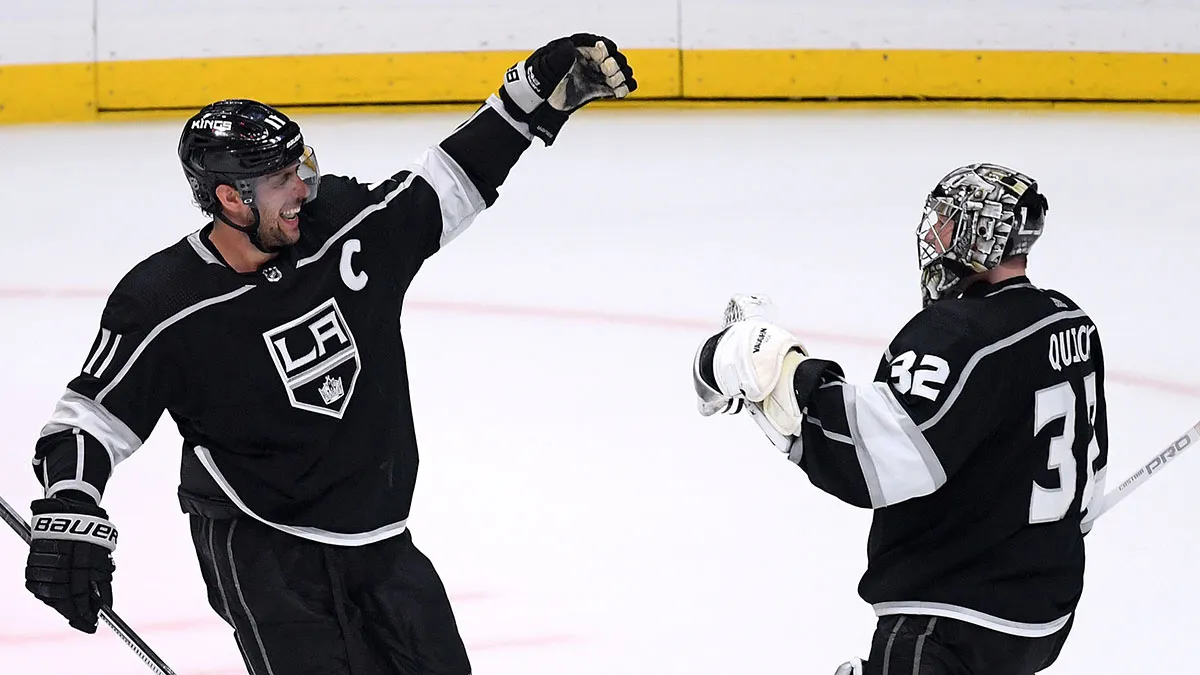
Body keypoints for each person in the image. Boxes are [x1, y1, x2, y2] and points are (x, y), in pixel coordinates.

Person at [23, 33, 635, 675]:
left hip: (379, 535)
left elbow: (440, 192)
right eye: (283, 179)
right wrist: (70, 502)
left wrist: (523, 104)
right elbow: (90, 419)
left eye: (302, 166)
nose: (304, 188)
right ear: (231, 199)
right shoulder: (166, 300)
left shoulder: (336, 223)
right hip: (264, 547)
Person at [692, 164, 1108, 675]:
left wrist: (776, 367)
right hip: (1040, 617)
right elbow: (1080, 482)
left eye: (948, 223)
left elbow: (872, 455)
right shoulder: (1071, 322)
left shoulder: (958, 334)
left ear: (981, 236)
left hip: (949, 621)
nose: (934, 235)